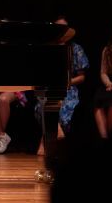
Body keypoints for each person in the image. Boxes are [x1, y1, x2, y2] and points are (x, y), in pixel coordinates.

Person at [36, 16, 89, 155]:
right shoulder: (48, 48)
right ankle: (58, 135)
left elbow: (82, 77)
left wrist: (67, 82)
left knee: (65, 107)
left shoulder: (75, 49)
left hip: (68, 88)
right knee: (42, 105)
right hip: (49, 88)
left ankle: (45, 142)